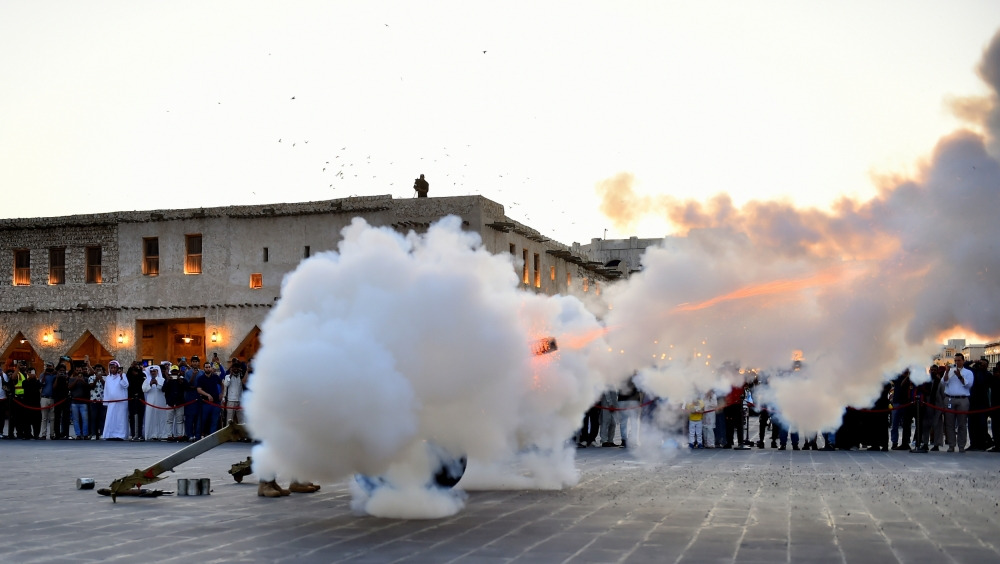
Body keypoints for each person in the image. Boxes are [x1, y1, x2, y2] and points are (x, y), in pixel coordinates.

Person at [942, 353, 973, 452]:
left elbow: (968, 385)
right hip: (950, 398)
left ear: (963, 361)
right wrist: (946, 373)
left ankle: (961, 445)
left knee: (962, 424)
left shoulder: (968, 372)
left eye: (959, 360)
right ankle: (951, 445)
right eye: (955, 360)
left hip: (962, 399)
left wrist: (959, 376)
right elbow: (943, 382)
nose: (956, 362)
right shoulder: (950, 371)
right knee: (949, 423)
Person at [102, 360, 130, 440]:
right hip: (111, 402)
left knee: (120, 419)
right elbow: (106, 390)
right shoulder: (108, 378)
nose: (113, 369)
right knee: (111, 418)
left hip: (121, 402)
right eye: (111, 368)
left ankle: (120, 435)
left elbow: (126, 385)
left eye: (114, 368)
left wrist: (121, 377)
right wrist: (106, 401)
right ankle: (110, 435)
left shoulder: (123, 375)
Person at [196, 363, 224, 438]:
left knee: (214, 421)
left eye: (209, 367)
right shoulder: (201, 378)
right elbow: (198, 389)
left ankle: (212, 438)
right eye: (206, 367)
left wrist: (221, 393)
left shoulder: (215, 377)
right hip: (206, 403)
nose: (208, 368)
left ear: (211, 368)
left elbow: (222, 384)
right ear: (204, 368)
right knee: (203, 420)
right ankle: (198, 437)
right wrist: (207, 395)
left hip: (216, 403)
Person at [890, 369, 915, 450]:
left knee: (906, 424)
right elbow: (900, 384)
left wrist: (909, 376)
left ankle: (906, 442)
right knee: (894, 424)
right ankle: (894, 442)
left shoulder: (911, 379)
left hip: (906, 403)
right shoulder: (897, 376)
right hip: (897, 402)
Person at [142, 365, 169, 440]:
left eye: (154, 371)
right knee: (151, 417)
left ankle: (162, 434)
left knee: (161, 418)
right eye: (151, 371)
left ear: (157, 372)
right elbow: (144, 389)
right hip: (150, 402)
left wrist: (157, 384)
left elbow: (164, 389)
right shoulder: (147, 380)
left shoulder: (162, 380)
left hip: (160, 402)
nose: (153, 373)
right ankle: (151, 434)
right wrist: (150, 384)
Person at [162, 364, 186, 441]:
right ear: (171, 372)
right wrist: (168, 380)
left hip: (180, 402)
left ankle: (179, 435)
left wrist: (181, 381)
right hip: (170, 402)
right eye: (173, 371)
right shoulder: (168, 380)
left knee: (180, 420)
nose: (174, 373)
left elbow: (187, 387)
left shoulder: (181, 379)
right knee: (169, 420)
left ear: (178, 372)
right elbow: (163, 389)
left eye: (176, 371)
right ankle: (169, 435)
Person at [617, 374, 642, 448]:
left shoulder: (620, 375)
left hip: (622, 400)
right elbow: (640, 388)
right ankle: (634, 441)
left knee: (624, 421)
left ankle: (624, 440)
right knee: (634, 421)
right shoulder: (636, 375)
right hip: (633, 400)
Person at [67, 364, 91, 439]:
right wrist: (77, 380)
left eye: (80, 370)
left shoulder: (86, 379)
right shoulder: (72, 379)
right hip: (74, 402)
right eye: (77, 371)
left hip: (83, 402)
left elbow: (88, 387)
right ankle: (78, 434)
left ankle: (85, 434)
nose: (79, 372)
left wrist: (82, 381)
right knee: (75, 419)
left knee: (85, 419)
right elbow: (69, 387)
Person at [126, 361, 146, 441]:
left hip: (140, 398)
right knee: (132, 417)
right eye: (134, 366)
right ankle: (134, 434)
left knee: (140, 417)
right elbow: (128, 375)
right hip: (131, 398)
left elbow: (142, 379)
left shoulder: (142, 375)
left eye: (137, 366)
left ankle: (140, 434)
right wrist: (131, 367)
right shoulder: (129, 375)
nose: (135, 367)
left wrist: (139, 369)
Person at [21, 368, 42, 439]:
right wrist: (29, 378)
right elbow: (24, 385)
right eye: (29, 372)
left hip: (36, 404)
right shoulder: (25, 382)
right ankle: (27, 434)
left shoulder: (37, 382)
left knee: (37, 420)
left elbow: (39, 386)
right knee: (26, 420)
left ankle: (36, 434)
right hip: (27, 403)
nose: (31, 374)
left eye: (32, 372)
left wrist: (35, 378)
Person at [51, 364, 71, 439]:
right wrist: (57, 378)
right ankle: (57, 434)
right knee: (57, 417)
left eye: (63, 371)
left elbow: (69, 387)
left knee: (66, 417)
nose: (62, 372)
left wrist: (66, 379)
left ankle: (66, 433)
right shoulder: (55, 377)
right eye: (60, 371)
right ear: (58, 371)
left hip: (65, 399)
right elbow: (54, 387)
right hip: (57, 399)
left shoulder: (67, 377)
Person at [39, 362, 57, 439]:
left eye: (50, 366)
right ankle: (43, 434)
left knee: (52, 418)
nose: (49, 368)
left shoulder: (55, 376)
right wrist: (44, 372)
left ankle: (52, 434)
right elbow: (40, 383)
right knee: (44, 417)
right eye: (48, 366)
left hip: (52, 398)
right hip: (44, 397)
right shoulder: (43, 375)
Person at [88, 364, 106, 439]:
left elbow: (106, 386)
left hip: (103, 401)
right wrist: (96, 379)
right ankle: (94, 434)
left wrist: (101, 379)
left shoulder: (105, 378)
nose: (99, 371)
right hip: (94, 401)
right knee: (93, 418)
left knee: (102, 417)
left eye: (100, 370)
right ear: (94, 370)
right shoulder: (91, 377)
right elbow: (91, 386)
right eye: (97, 370)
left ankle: (102, 433)